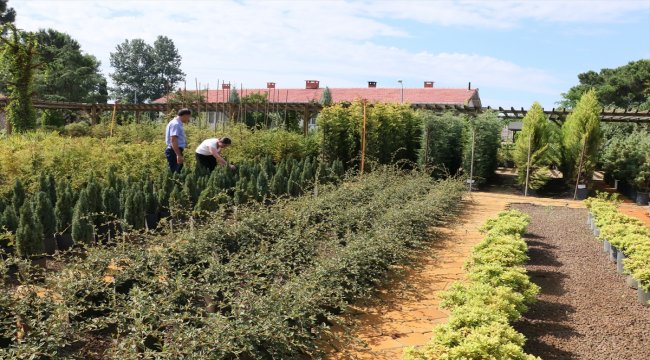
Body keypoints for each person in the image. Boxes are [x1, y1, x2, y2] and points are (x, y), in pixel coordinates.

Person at [165, 109, 191, 173]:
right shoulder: (175, 124)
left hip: (175, 151)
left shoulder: (177, 123)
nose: (189, 119)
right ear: (185, 115)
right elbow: (173, 140)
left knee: (177, 171)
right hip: (174, 151)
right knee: (175, 172)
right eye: (189, 117)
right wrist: (178, 155)